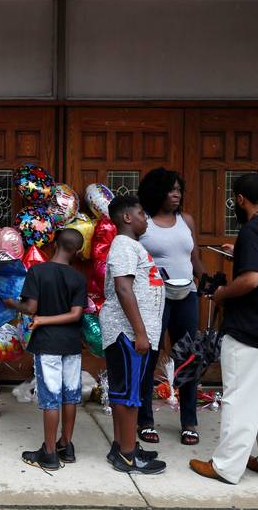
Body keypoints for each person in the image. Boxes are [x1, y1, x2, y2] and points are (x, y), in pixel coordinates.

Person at [190, 173, 258, 484]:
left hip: (253, 328)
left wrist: (222, 294)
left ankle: (226, 467)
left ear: (239, 199)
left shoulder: (251, 230)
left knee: (240, 398)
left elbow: (251, 279)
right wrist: (239, 253)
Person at [4, 229, 87, 471]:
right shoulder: (78, 278)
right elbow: (76, 314)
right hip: (71, 344)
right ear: (77, 251)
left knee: (50, 397)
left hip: (48, 344)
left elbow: (30, 308)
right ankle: (66, 446)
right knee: (70, 396)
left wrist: (12, 304)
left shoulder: (38, 271)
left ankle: (49, 453)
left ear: (55, 245)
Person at [137, 168, 205, 445]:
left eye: (179, 189)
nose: (176, 194)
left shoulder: (185, 220)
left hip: (186, 296)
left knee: (189, 356)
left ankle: (189, 421)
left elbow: (194, 258)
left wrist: (208, 283)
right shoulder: (144, 222)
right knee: (149, 356)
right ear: (156, 192)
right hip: (155, 298)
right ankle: (145, 420)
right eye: (170, 189)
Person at [99, 196, 167, 474]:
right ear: (127, 217)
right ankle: (128, 456)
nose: (146, 218)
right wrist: (140, 333)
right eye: (141, 213)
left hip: (130, 333)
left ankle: (121, 446)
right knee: (130, 395)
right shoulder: (125, 246)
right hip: (128, 334)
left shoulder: (130, 246)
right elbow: (124, 289)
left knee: (123, 392)